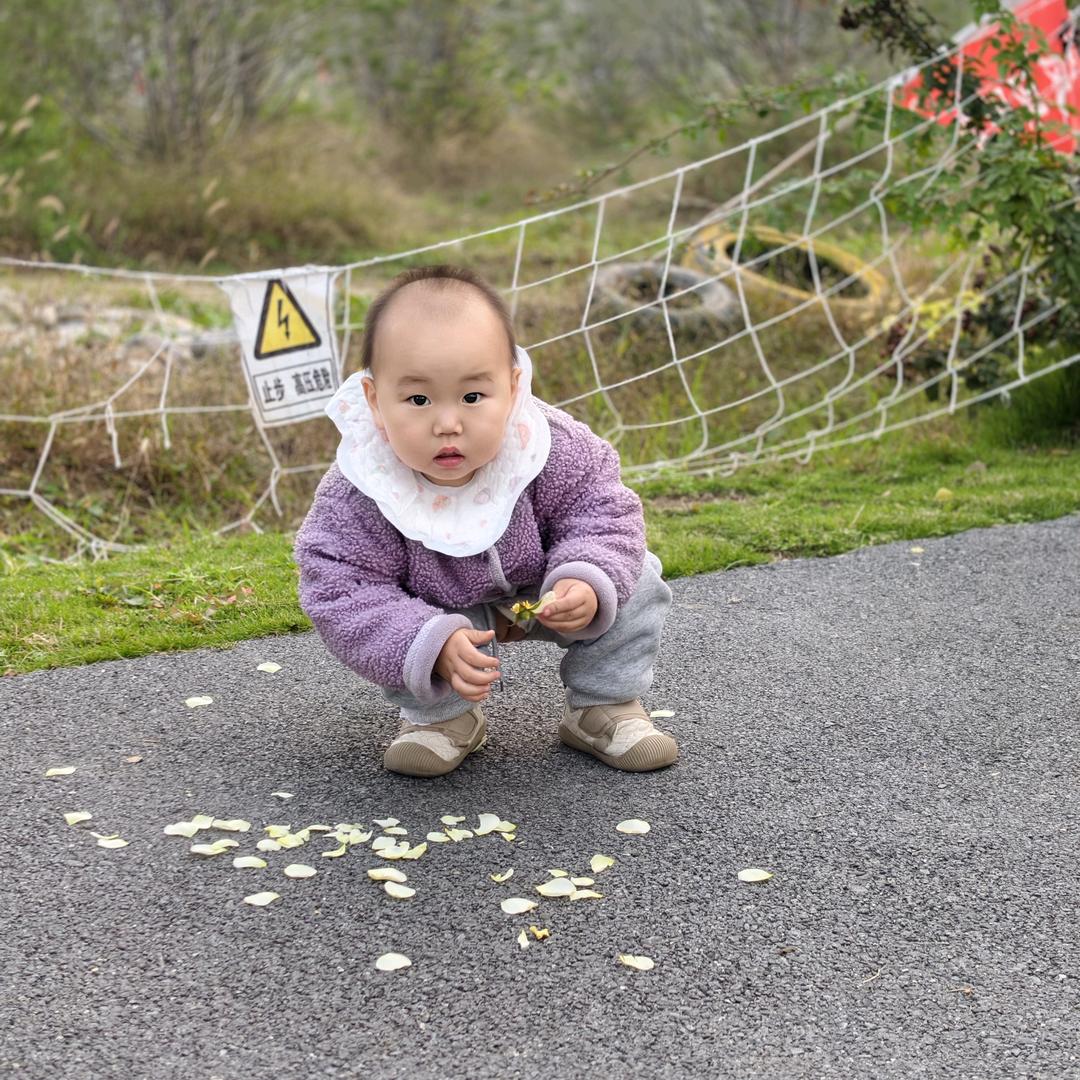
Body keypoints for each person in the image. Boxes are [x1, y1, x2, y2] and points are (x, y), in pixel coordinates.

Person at [293, 263, 677, 778]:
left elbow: (603, 510)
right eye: (418, 399)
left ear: (512, 388)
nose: (447, 423)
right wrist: (426, 641)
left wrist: (586, 578)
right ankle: (443, 719)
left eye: (473, 397)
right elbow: (343, 589)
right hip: (445, 614)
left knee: (636, 577)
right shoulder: (361, 489)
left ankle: (604, 706)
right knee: (410, 641)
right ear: (375, 400)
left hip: (543, 594)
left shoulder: (550, 447)